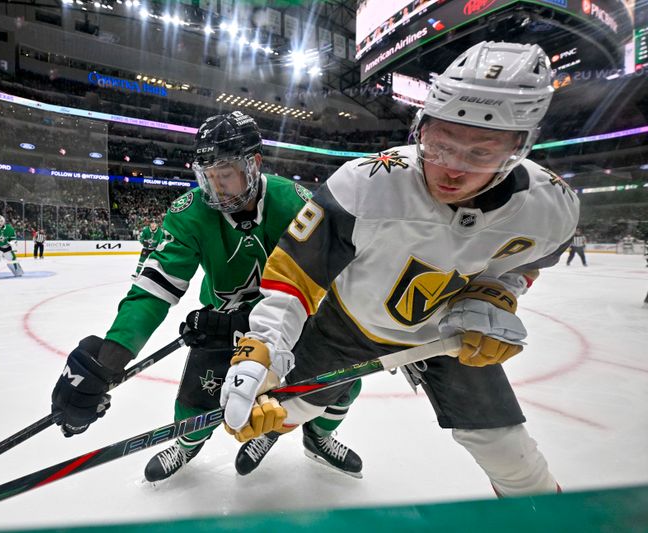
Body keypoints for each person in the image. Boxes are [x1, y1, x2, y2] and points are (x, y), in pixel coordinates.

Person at [219, 41, 579, 496]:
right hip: (345, 325)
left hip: (446, 334)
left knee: (506, 449)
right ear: (421, 128)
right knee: (287, 408)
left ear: (519, 148)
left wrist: (493, 293)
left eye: (480, 155)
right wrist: (263, 351)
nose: (450, 170)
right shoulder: (366, 185)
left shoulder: (551, 208)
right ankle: (282, 425)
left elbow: (519, 264)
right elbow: (295, 275)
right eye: (440, 145)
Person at [49, 111, 315, 482]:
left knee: (325, 386)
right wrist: (108, 363)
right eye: (207, 177)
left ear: (253, 164)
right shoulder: (189, 212)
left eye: (225, 175)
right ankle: (187, 444)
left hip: (285, 321)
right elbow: (153, 290)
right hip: (221, 320)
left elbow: (321, 279)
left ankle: (305, 436)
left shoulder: (296, 203)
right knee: (195, 399)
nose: (216, 188)